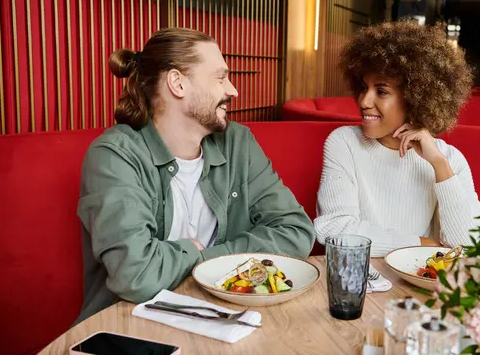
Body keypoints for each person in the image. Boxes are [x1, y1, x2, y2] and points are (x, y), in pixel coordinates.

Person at [75, 28, 315, 323]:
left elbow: (296, 231)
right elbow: (135, 274)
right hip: (130, 327)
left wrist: (202, 259)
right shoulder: (115, 156)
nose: (232, 90)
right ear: (178, 83)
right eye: (219, 77)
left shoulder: (238, 142)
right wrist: (226, 256)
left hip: (220, 319)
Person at [314, 21, 480, 258]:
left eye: (381, 91)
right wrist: (424, 244)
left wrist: (439, 166)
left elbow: (473, 246)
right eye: (364, 88)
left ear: (414, 97)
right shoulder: (344, 143)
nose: (364, 101)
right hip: (363, 284)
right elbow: (336, 231)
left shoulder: (448, 160)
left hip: (423, 286)